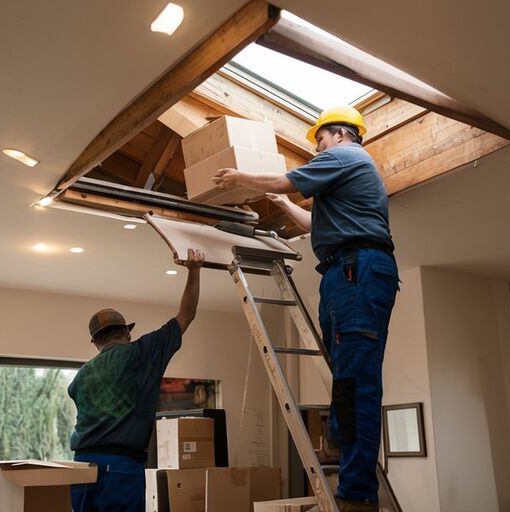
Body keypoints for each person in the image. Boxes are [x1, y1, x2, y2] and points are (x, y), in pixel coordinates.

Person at [212, 106, 398, 512]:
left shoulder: (346, 156)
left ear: (340, 133)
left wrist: (239, 176)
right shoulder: (343, 174)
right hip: (343, 270)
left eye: (319, 138)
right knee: (345, 375)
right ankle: (337, 441)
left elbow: (286, 178)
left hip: (358, 270)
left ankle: (357, 494)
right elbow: (314, 225)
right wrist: (279, 201)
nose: (317, 148)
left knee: (355, 382)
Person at [68, 248, 205, 512]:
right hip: (119, 469)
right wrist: (194, 270)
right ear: (127, 334)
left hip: (81, 468)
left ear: (96, 342)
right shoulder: (142, 352)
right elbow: (186, 315)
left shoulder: (82, 375)